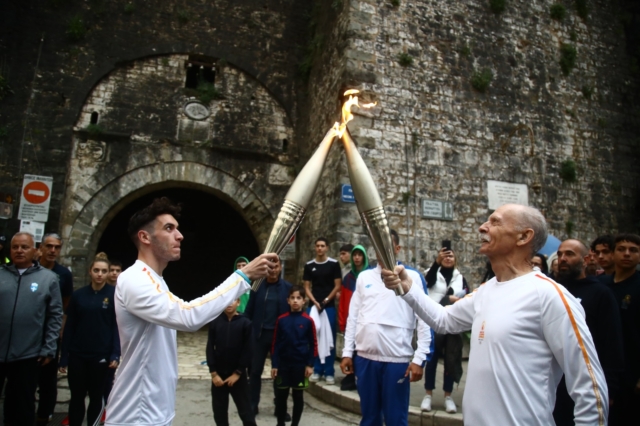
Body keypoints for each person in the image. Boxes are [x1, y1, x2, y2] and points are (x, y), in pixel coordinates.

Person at [382, 204, 608, 424]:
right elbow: (444, 320)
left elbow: (589, 385)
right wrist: (408, 287)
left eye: (495, 222)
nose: (482, 227)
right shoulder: (487, 290)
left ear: (523, 237)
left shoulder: (550, 296)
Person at [104, 197, 276, 426]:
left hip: (155, 413)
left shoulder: (157, 282)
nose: (180, 235)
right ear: (145, 237)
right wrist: (243, 277)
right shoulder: (134, 279)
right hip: (135, 416)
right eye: (169, 228)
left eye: (177, 228)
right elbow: (188, 316)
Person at [340, 235, 431, 426]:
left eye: (388, 246)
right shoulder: (364, 277)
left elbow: (424, 319)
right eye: (378, 245)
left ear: (397, 249)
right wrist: (348, 352)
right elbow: (353, 317)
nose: (382, 250)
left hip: (396, 360)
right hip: (365, 359)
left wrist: (420, 358)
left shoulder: (412, 277)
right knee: (369, 419)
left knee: (395, 420)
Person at [552, 239, 624, 426]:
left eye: (569, 254)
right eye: (560, 254)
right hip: (553, 382)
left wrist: (610, 388)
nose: (563, 259)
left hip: (585, 380)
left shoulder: (601, 293)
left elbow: (611, 342)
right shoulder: (552, 291)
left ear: (585, 259)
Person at [0, 232, 63, 426]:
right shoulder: (1, 274)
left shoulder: (48, 279)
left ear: (35, 250)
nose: (19, 251)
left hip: (27, 353)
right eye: (15, 247)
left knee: (21, 404)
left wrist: (49, 347)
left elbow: (55, 315)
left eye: (24, 247)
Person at [59, 253, 120, 426]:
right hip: (78, 354)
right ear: (90, 272)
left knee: (96, 396)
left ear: (108, 273)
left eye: (103, 271)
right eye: (96, 270)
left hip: (101, 354)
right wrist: (64, 356)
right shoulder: (79, 296)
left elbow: (117, 326)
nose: (100, 274)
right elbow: (70, 327)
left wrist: (115, 353)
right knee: (77, 396)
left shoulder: (115, 296)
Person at [244, 255, 292, 418]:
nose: (273, 270)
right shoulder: (257, 287)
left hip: (279, 337)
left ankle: (280, 408)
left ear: (280, 268)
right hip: (259, 335)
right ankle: (252, 405)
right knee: (255, 371)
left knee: (280, 373)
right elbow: (249, 312)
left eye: (276, 266)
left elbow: (293, 313)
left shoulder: (287, 288)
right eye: (270, 266)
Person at [421, 247, 468, 414]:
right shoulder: (432, 271)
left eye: (451, 255)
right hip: (434, 320)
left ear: (456, 259)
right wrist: (436, 263)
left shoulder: (460, 278)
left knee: (451, 358)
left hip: (453, 322)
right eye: (445, 255)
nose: (448, 258)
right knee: (431, 358)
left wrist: (456, 299)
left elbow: (467, 297)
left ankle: (448, 396)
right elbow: (426, 283)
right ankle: (428, 394)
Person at [36, 232, 74, 425]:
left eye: (57, 247)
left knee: (48, 377)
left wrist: (60, 327)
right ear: (41, 247)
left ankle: (45, 414)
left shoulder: (64, 274)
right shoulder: (30, 268)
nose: (52, 251)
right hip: (27, 330)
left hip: (49, 331)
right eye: (49, 246)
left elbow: (66, 301)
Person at [605, 233, 640, 424]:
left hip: (632, 369)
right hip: (607, 369)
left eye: (633, 250)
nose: (627, 254)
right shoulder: (602, 286)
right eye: (621, 249)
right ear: (613, 253)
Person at [271, 285, 317, 426]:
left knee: (298, 396)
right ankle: (280, 423)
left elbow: (313, 344)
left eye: (299, 298)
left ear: (304, 301)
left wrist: (310, 364)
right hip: (283, 365)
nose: (295, 301)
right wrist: (275, 364)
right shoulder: (281, 320)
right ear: (288, 300)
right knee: (281, 396)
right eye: (293, 298)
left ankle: (295, 424)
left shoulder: (308, 321)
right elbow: (275, 344)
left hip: (300, 366)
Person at [206, 298, 255, 426]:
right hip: (219, 376)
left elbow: (248, 349)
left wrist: (238, 372)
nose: (229, 303)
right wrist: (213, 373)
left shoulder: (245, 323)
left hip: (238, 376)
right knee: (219, 412)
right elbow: (210, 347)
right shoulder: (215, 322)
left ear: (238, 302)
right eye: (226, 300)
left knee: (246, 412)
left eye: (233, 300)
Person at [303, 237, 341, 384]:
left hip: (328, 307)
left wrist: (325, 301)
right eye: (317, 246)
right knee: (314, 338)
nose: (319, 248)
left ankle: (329, 371)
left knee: (329, 337)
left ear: (327, 248)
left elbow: (337, 285)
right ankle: (317, 369)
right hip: (314, 307)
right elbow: (306, 287)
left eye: (322, 246)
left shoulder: (333, 264)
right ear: (315, 247)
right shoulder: (309, 265)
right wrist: (314, 301)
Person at [337, 245, 369, 391]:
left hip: (366, 320)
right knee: (351, 349)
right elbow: (343, 301)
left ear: (364, 257)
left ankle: (362, 377)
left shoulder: (370, 275)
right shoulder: (349, 278)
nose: (357, 257)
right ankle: (351, 376)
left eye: (359, 255)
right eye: (354, 255)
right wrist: (342, 321)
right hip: (351, 320)